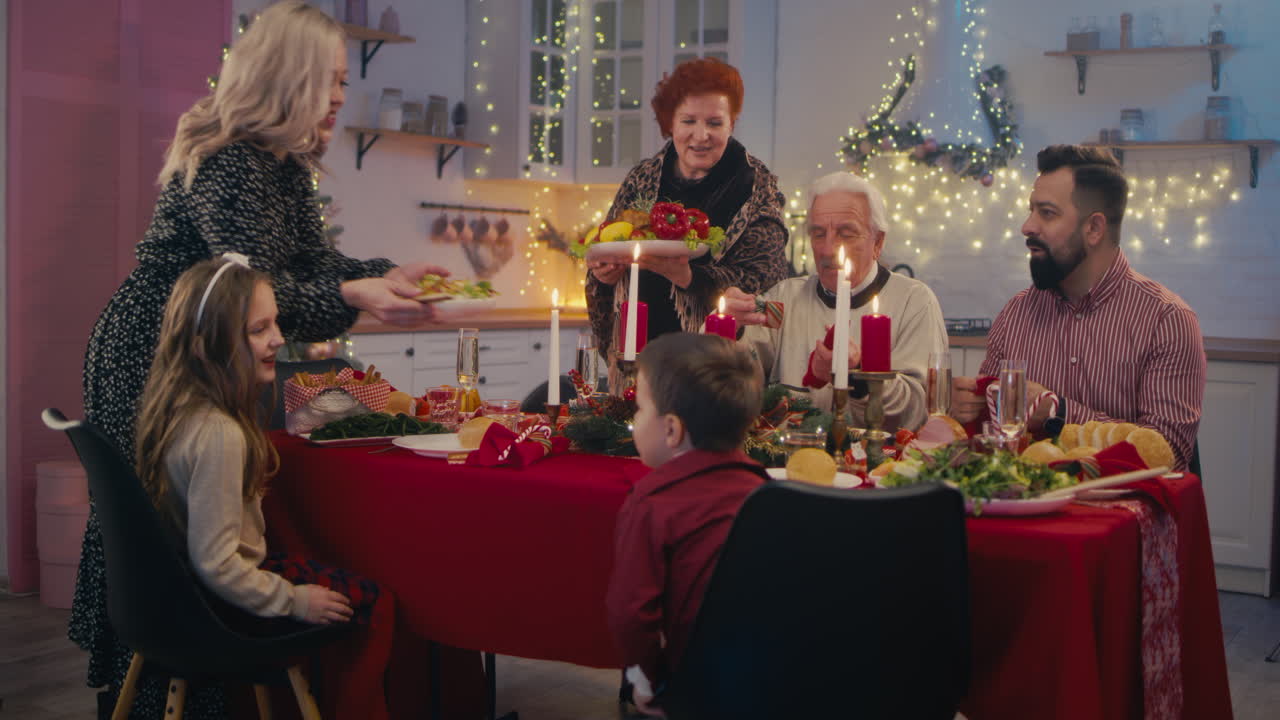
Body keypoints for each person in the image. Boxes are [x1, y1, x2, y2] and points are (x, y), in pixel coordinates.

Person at [76, 2, 441, 715]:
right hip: (154, 348)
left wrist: (381, 277)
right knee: (156, 533)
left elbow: (312, 264)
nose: (341, 96)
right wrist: (352, 291)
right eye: (329, 81)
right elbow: (257, 290)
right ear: (289, 79)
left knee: (175, 525)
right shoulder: (233, 164)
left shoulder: (282, 165)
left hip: (194, 349)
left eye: (343, 82)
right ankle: (168, 696)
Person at [133, 256, 391, 718]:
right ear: (204, 346)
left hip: (177, 599)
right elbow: (217, 565)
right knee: (374, 602)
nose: (277, 339)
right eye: (258, 329)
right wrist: (293, 600)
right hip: (221, 607)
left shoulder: (176, 409)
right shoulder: (219, 435)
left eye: (274, 324)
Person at [950, 144, 1206, 470]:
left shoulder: (1167, 320)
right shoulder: (1015, 314)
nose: (1027, 226)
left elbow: (1169, 455)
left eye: (1047, 213)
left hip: (1121, 517)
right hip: (1027, 513)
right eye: (1031, 210)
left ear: (1094, 229)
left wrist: (1059, 414)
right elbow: (994, 443)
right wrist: (969, 414)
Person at [585, 58, 789, 369]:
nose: (701, 134)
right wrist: (603, 273)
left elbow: (766, 282)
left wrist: (692, 278)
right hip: (639, 361)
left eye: (714, 123)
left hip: (718, 368)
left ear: (732, 123)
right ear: (671, 123)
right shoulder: (642, 177)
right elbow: (610, 243)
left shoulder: (756, 187)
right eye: (688, 121)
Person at [606, 333, 770, 717]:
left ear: (672, 430)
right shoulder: (764, 489)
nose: (635, 420)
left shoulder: (653, 502)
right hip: (767, 678)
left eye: (640, 409)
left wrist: (645, 681)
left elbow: (630, 612)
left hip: (695, 685)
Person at [724, 171, 948, 432]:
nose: (828, 250)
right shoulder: (784, 297)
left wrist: (859, 375)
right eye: (818, 234)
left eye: (846, 233)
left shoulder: (914, 302)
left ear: (878, 242)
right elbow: (735, 387)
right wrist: (730, 329)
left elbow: (920, 412)